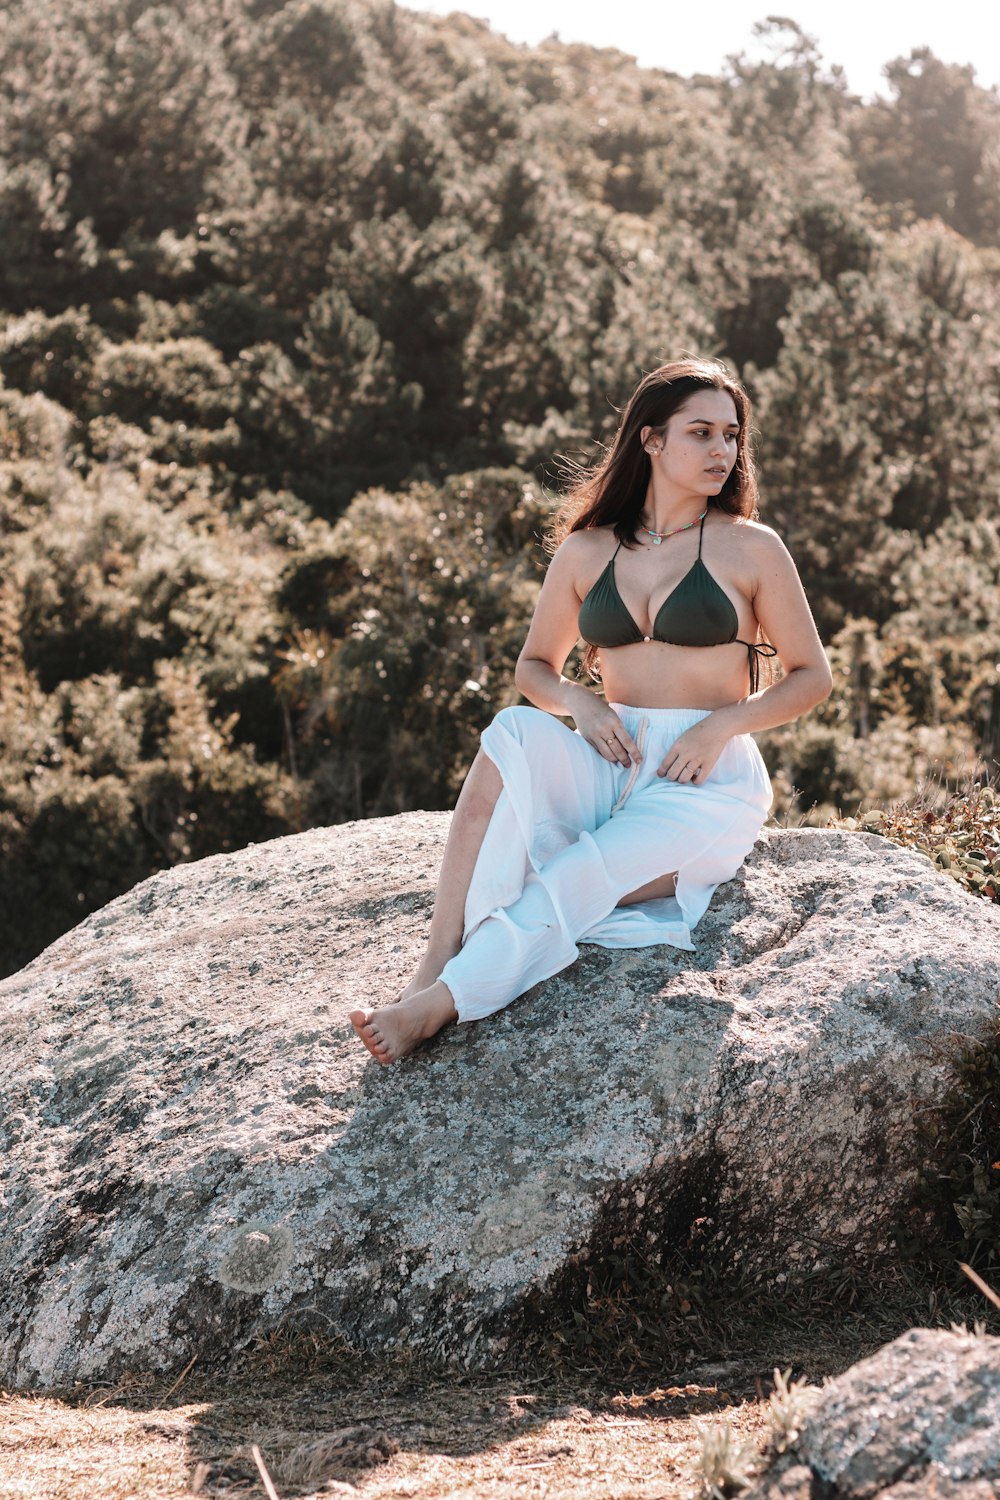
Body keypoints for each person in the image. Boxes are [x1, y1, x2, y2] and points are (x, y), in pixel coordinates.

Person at [350, 358, 832, 1063]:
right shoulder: (587, 548)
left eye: (732, 435)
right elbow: (532, 669)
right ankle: (434, 959)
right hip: (613, 756)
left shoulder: (751, 548)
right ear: (650, 440)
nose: (722, 451)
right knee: (511, 731)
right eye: (700, 433)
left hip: (703, 780)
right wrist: (580, 701)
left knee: (578, 875)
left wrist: (724, 723)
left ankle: (439, 1005)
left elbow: (811, 677)